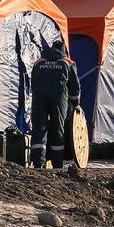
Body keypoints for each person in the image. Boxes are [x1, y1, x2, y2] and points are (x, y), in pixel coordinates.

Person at [29, 39, 80, 169]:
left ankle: (38, 163)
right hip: (58, 97)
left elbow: (33, 82)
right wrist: (75, 103)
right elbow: (74, 86)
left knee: (39, 128)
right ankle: (57, 164)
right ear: (64, 50)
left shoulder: (39, 62)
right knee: (58, 129)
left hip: (39, 97)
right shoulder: (68, 62)